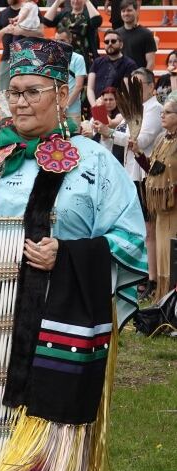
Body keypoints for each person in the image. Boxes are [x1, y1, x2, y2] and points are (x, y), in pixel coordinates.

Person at [0, 38, 147, 471]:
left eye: (32, 91)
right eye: (13, 91)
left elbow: (130, 241)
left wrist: (68, 255)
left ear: (62, 95)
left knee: (41, 454)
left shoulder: (96, 164)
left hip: (52, 331)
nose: (19, 102)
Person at [108, 68, 163, 300]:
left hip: (147, 174)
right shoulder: (136, 108)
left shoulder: (155, 110)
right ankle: (145, 276)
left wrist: (110, 133)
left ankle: (152, 278)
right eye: (134, 85)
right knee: (143, 228)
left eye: (140, 84)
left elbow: (141, 141)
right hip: (131, 171)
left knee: (149, 229)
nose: (137, 89)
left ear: (151, 86)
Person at [139, 96, 177, 300]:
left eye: (168, 112)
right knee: (163, 257)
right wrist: (138, 154)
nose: (162, 114)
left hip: (175, 208)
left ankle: (173, 302)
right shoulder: (162, 139)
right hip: (161, 211)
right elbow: (153, 170)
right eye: (162, 112)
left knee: (173, 257)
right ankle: (164, 302)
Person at [42, 0, 102, 71]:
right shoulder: (64, 14)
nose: (76, 1)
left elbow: (97, 21)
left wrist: (87, 2)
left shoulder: (87, 15)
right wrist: (57, 2)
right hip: (63, 55)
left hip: (83, 56)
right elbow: (46, 21)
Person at [86, 30, 137, 106]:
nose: (110, 44)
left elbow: (126, 91)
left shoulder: (130, 64)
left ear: (121, 44)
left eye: (113, 41)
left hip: (119, 110)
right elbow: (90, 88)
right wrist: (95, 107)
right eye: (106, 42)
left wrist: (110, 105)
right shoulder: (97, 62)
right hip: (97, 106)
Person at [55, 27, 87, 126]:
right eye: (56, 41)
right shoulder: (52, 59)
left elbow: (79, 86)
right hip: (55, 109)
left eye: (62, 40)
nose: (59, 43)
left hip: (72, 109)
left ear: (70, 40)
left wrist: (66, 106)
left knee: (74, 139)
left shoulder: (78, 58)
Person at [86, 87, 125, 164]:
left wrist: (100, 107)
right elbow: (91, 131)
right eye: (105, 100)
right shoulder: (98, 111)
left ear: (117, 100)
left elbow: (109, 124)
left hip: (114, 154)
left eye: (111, 99)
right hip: (98, 151)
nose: (108, 102)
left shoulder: (121, 114)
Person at [0, 0, 24, 93]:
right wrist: (5, 30)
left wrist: (21, 30)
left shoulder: (29, 10)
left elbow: (40, 33)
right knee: (2, 93)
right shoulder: (3, 13)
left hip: (26, 58)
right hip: (7, 57)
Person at [116, 0, 155, 71]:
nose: (126, 13)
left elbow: (151, 62)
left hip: (139, 78)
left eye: (129, 10)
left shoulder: (146, 34)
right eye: (123, 11)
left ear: (137, 11)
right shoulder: (116, 34)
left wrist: (143, 79)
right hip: (120, 78)